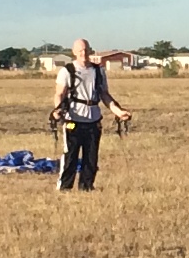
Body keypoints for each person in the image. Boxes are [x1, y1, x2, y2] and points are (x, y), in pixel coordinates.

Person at [48, 38, 132, 191]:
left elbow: (105, 95)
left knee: (91, 158)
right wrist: (57, 110)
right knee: (70, 156)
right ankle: (65, 188)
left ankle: (86, 187)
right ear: (74, 52)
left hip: (93, 121)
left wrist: (119, 112)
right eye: (80, 50)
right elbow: (59, 94)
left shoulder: (98, 71)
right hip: (73, 121)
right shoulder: (67, 71)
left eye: (86, 50)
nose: (83, 53)